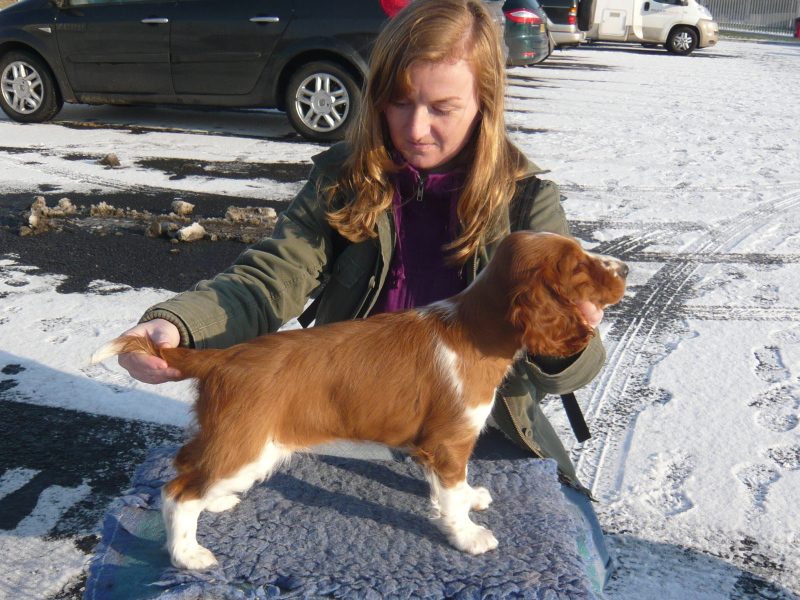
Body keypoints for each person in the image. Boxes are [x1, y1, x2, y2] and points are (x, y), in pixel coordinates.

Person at [116, 0, 613, 590]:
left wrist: (571, 333)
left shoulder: (528, 206)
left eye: (443, 107)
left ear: (485, 103)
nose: (416, 127)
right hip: (340, 412)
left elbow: (564, 371)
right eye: (400, 102)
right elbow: (270, 276)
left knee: (582, 563)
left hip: (495, 437)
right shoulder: (346, 177)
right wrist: (181, 326)